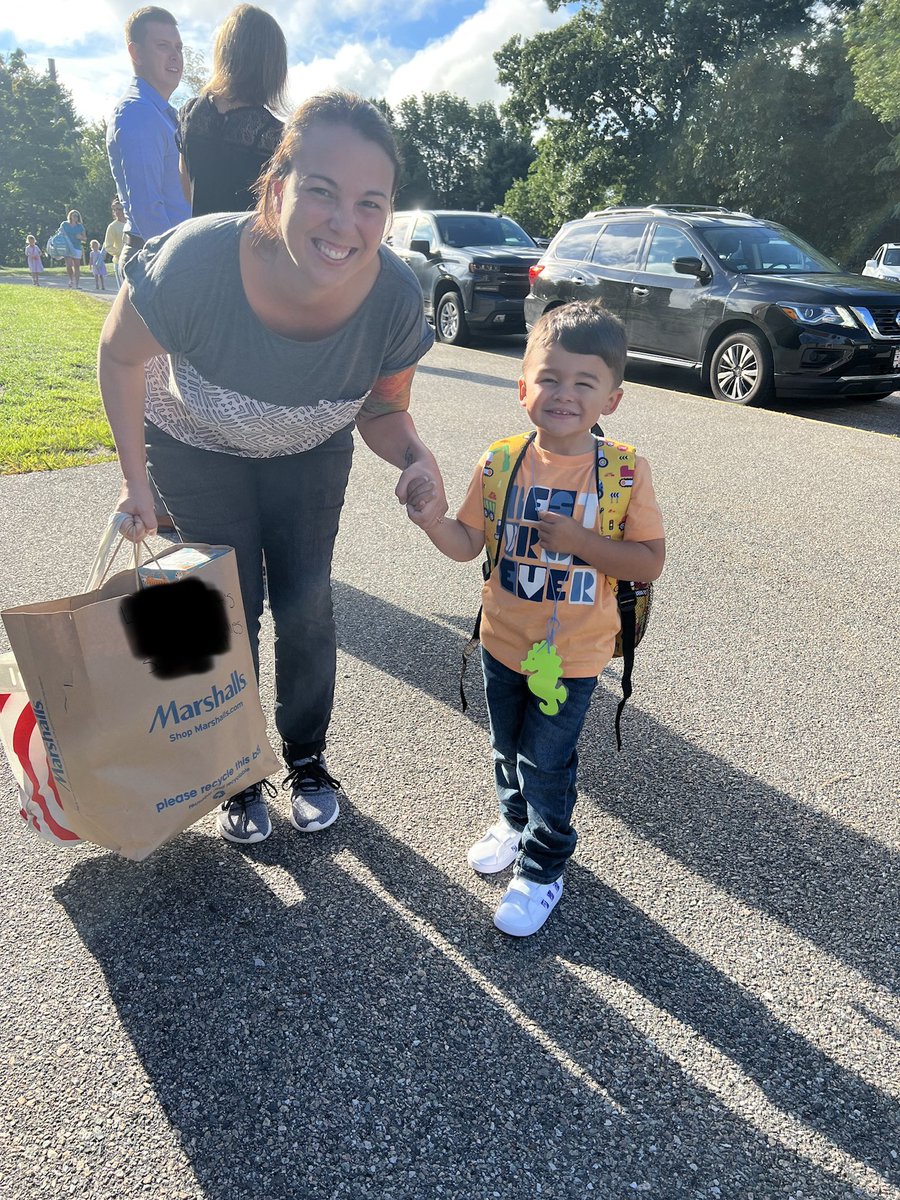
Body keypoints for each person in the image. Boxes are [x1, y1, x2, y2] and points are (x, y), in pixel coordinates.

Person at [97, 90, 447, 849]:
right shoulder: (196, 260)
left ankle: (308, 760)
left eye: (370, 203)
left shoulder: (392, 295)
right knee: (221, 613)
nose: (344, 223)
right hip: (193, 441)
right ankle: (236, 772)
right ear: (278, 185)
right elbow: (120, 356)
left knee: (307, 606)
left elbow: (383, 408)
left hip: (311, 449)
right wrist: (136, 482)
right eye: (321, 190)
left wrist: (417, 457)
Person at [415, 302, 666, 937]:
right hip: (501, 640)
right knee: (506, 747)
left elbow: (649, 561)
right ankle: (513, 819)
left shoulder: (623, 472)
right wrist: (429, 518)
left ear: (612, 398)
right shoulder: (501, 461)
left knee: (546, 762)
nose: (564, 394)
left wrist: (582, 541)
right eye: (549, 378)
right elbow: (466, 542)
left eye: (585, 383)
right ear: (522, 384)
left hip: (574, 653)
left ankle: (544, 864)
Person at [178, 4, 287, 217]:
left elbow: (186, 191)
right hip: (251, 247)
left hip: (198, 241)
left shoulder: (190, 114)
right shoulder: (275, 134)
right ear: (273, 65)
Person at [106, 6, 191, 275]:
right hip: (155, 259)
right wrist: (177, 268)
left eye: (178, 47)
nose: (175, 55)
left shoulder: (164, 114)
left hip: (164, 254)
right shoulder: (138, 112)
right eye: (163, 46)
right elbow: (147, 209)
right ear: (136, 53)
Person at [56, 209, 87, 288]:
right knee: (69, 265)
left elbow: (85, 238)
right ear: (70, 216)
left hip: (77, 247)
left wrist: (80, 237)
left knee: (77, 266)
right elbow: (59, 233)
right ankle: (71, 280)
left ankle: (77, 284)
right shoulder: (64, 224)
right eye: (74, 215)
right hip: (67, 247)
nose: (75, 217)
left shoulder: (80, 226)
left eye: (77, 216)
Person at [103, 199, 127, 286]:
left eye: (119, 209)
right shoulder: (112, 226)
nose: (117, 212)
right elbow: (108, 246)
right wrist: (121, 252)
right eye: (115, 209)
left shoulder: (131, 224)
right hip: (119, 261)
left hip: (133, 261)